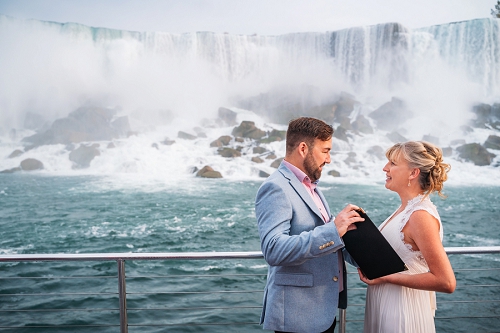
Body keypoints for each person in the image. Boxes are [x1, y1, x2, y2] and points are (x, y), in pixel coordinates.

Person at [255, 117, 364, 333]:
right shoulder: (275, 187)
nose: (329, 159)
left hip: (323, 310)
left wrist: (365, 253)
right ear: (303, 148)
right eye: (325, 151)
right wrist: (334, 229)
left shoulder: (312, 187)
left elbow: (331, 238)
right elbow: (274, 249)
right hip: (299, 317)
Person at [359, 141, 456, 333]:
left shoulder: (420, 215)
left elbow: (446, 282)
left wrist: (386, 277)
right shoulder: (405, 209)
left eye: (393, 163)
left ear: (413, 173)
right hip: (388, 303)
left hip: (402, 312)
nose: (385, 168)